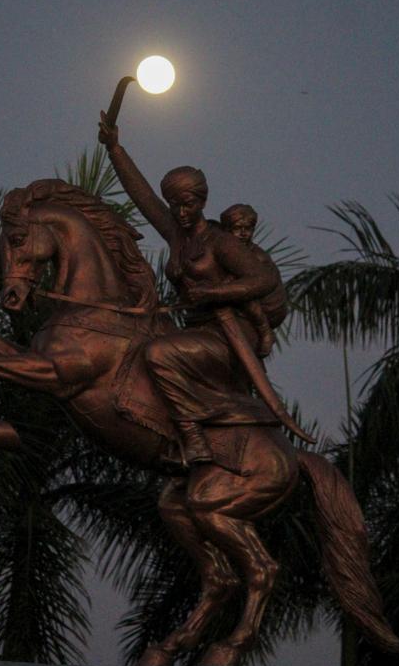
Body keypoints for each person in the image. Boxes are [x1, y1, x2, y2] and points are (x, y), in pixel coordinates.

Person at [98, 112, 283, 467]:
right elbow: (143, 196)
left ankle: (193, 437)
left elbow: (263, 281)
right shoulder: (175, 233)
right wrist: (115, 149)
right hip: (198, 332)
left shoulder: (221, 241)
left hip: (230, 334)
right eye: (175, 205)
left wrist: (214, 295)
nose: (181, 212)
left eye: (188, 204)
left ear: (202, 202)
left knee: (157, 355)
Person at [219, 203, 287, 357]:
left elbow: (247, 285)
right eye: (237, 228)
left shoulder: (255, 256)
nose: (243, 233)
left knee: (239, 290)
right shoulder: (234, 252)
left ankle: (265, 333)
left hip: (269, 309)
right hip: (254, 306)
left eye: (248, 229)